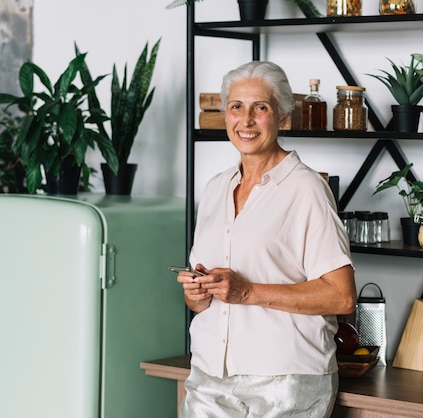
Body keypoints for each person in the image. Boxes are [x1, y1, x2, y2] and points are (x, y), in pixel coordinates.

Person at [177, 60, 356, 417]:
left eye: (260, 107)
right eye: (236, 107)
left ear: (283, 118)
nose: (246, 120)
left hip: (285, 381)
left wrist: (248, 291)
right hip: (210, 374)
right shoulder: (215, 188)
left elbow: (342, 296)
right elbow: (206, 303)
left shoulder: (307, 189)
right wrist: (196, 294)